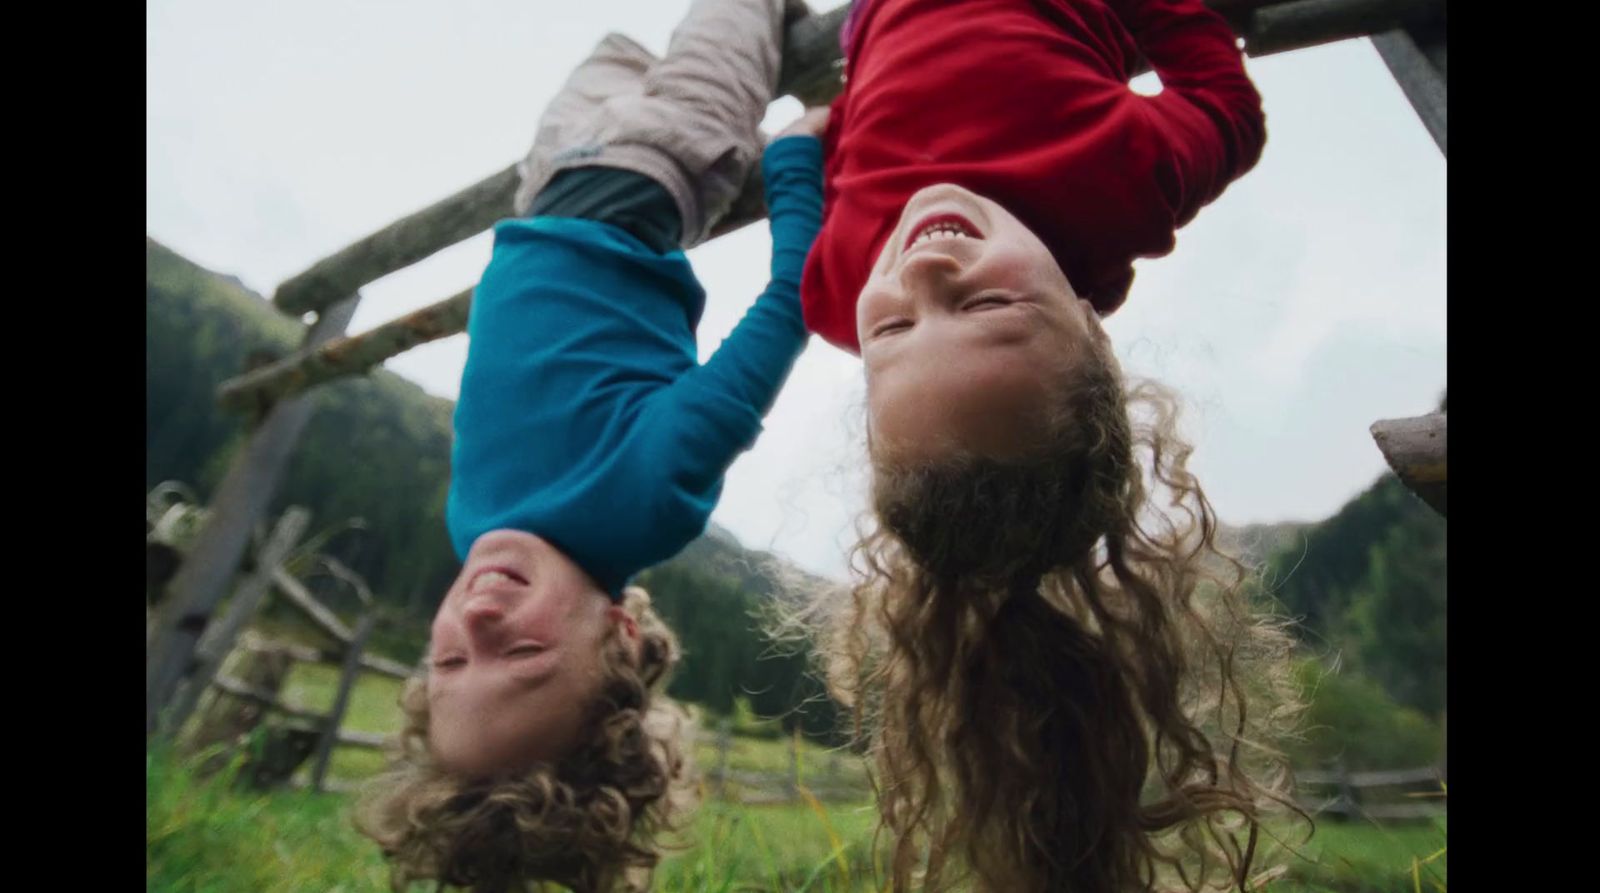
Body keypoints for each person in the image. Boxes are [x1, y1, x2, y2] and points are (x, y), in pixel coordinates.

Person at [795, 1, 1305, 890]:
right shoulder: (1123, 182)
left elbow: (841, 162)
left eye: (894, 330)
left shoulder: (836, 287)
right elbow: (1228, 111)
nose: (921, 272)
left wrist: (813, 138)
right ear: (1088, 322)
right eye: (985, 308)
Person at [354, 1, 827, 888]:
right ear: (615, 638)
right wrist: (797, 165)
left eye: (450, 657)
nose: (477, 618)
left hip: (540, 188)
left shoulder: (476, 532)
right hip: (665, 156)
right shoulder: (643, 500)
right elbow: (791, 302)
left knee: (609, 50)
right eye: (520, 655)